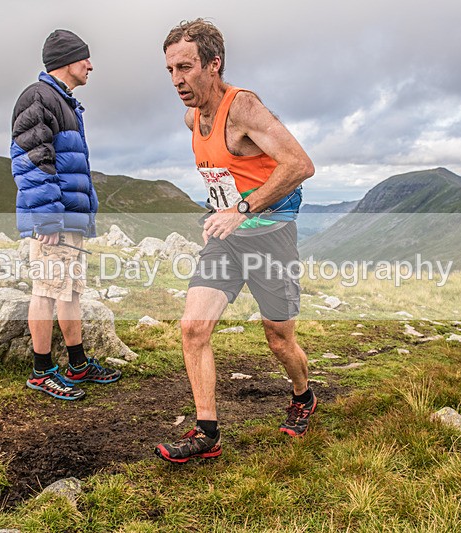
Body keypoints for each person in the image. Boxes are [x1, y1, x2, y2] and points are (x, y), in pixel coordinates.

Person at [155, 19, 316, 463]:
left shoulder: (243, 107)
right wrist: (224, 209)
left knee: (279, 340)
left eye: (185, 67)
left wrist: (241, 209)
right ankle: (206, 432)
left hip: (271, 237)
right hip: (226, 240)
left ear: (214, 64)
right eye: (170, 70)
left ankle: (304, 396)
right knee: (193, 327)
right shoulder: (193, 117)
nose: (177, 80)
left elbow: (300, 165)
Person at [11, 29, 121, 400]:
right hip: (53, 220)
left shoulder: (63, 101)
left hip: (68, 217)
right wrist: (47, 218)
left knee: (69, 291)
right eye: (84, 58)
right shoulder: (39, 97)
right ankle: (42, 371)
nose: (90, 65)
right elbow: (31, 159)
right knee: (46, 290)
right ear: (67, 60)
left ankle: (77, 363)